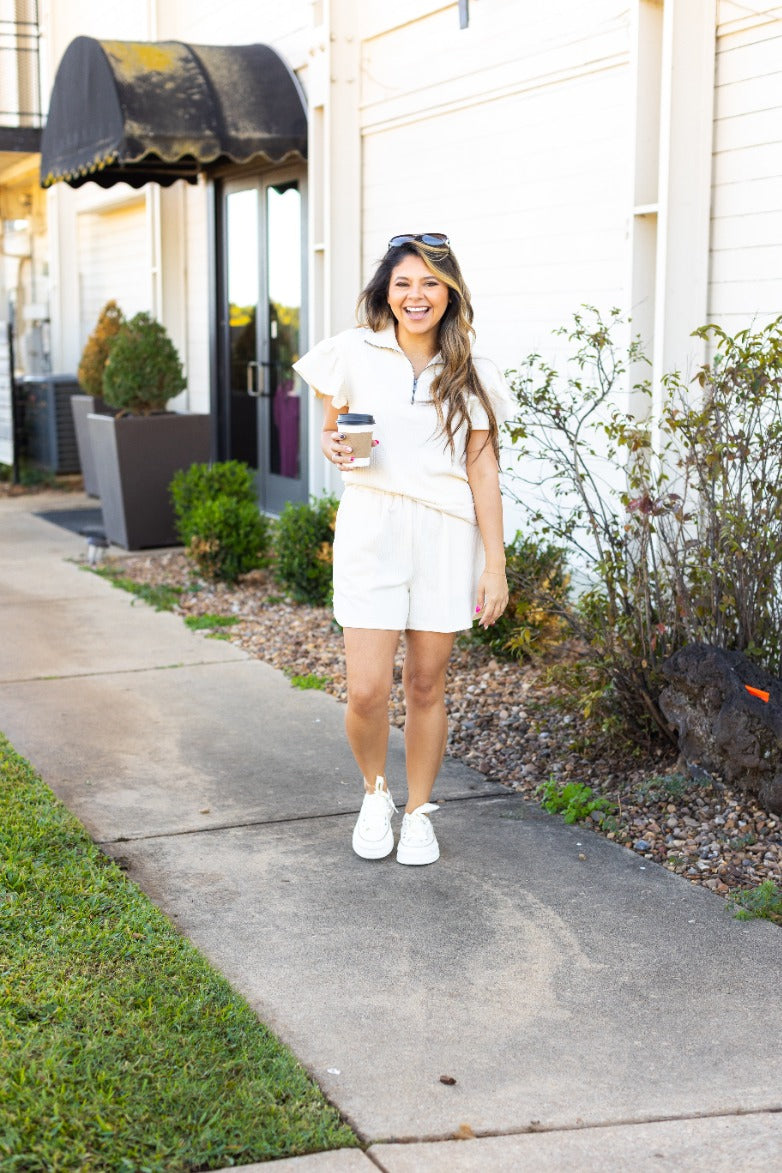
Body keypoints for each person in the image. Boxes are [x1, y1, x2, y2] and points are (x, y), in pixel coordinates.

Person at [293, 232, 512, 865]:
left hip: (445, 534)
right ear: (386, 293)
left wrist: (494, 564)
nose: (416, 296)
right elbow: (333, 434)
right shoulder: (352, 352)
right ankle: (375, 791)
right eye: (404, 283)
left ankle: (418, 811)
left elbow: (483, 470)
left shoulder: (472, 369)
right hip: (372, 527)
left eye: (430, 284)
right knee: (364, 691)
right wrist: (333, 447)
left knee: (424, 685)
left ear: (450, 292)